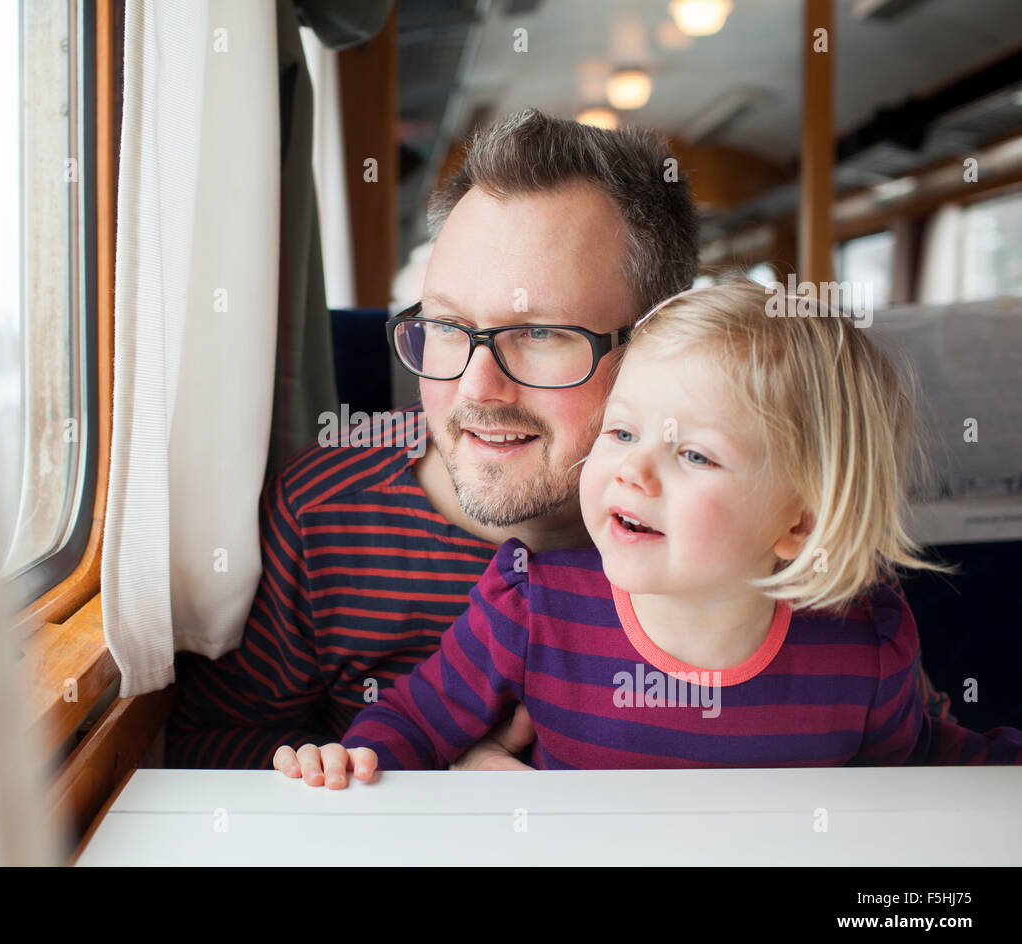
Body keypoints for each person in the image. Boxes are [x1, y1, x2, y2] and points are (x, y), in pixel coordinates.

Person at [166, 108, 955, 773]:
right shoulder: (323, 510)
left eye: (541, 333)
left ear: (661, 342)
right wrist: (420, 776)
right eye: (446, 327)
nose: (476, 389)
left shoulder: (772, 538)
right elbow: (206, 745)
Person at [278, 281, 1022, 781]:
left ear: (797, 522)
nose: (635, 473)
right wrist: (353, 764)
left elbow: (922, 770)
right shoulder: (530, 604)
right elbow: (412, 722)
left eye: (693, 453)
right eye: (623, 431)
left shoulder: (864, 644)